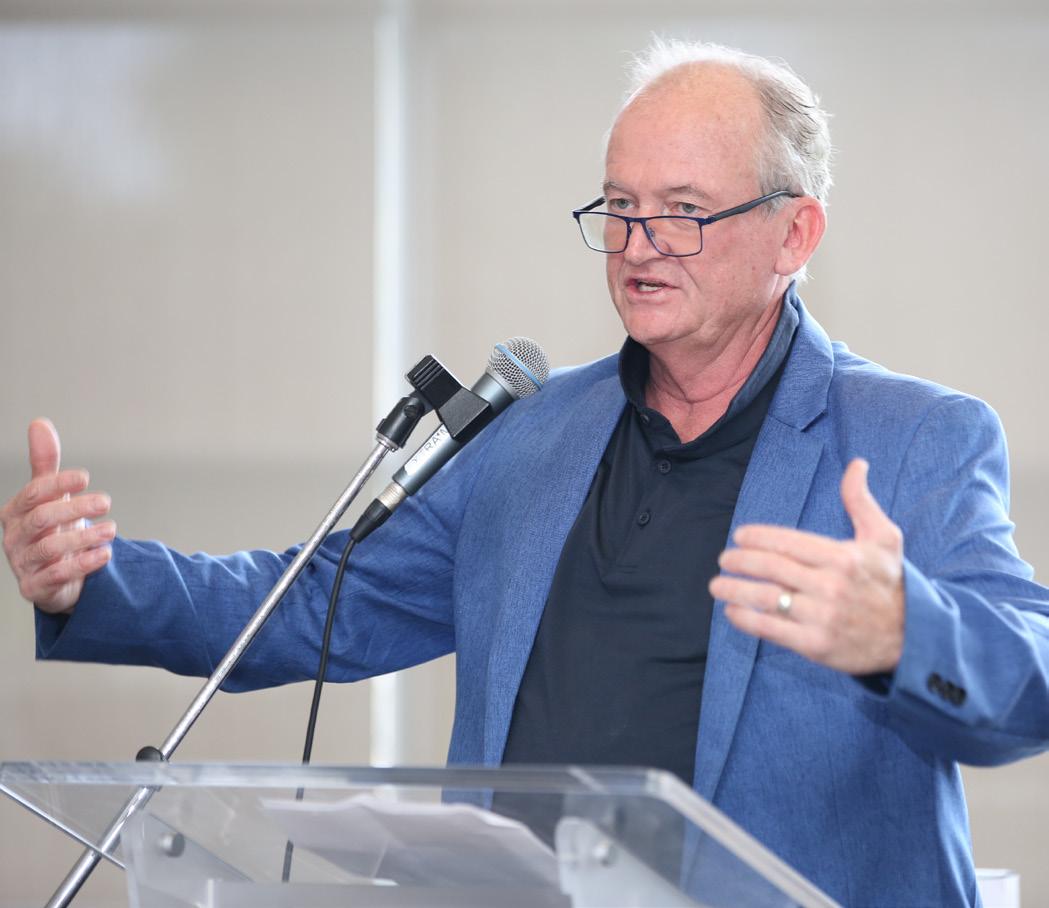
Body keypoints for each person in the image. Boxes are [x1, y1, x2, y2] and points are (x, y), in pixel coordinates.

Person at [4, 39, 1048, 906]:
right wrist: (94, 577)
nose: (637, 243)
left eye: (682, 209)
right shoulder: (530, 432)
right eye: (619, 205)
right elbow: (313, 603)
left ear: (793, 233)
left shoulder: (912, 437)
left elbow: (1028, 681)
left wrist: (907, 632)